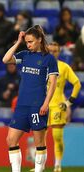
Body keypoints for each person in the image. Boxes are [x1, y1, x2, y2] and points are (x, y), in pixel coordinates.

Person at [2, 25, 58, 172]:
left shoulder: (49, 59)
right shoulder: (25, 55)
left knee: (39, 142)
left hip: (37, 104)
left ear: (39, 40)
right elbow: (6, 59)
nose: (28, 45)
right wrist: (18, 42)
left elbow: (52, 84)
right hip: (22, 105)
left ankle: (39, 170)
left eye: (31, 41)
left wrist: (46, 104)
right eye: (27, 42)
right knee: (11, 140)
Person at [47, 42, 81, 172]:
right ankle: (40, 166)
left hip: (57, 106)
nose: (52, 53)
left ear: (59, 52)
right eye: (50, 51)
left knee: (57, 136)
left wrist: (69, 102)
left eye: (55, 51)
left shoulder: (64, 67)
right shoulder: (41, 66)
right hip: (42, 106)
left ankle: (57, 165)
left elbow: (77, 83)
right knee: (40, 138)